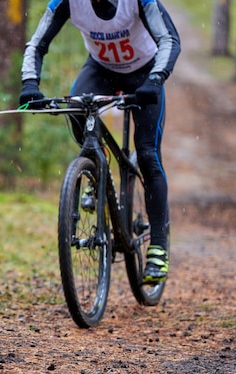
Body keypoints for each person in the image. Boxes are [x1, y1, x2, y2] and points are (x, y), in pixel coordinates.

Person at [19, 0, 181, 284]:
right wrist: (30, 83)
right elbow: (37, 43)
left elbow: (169, 39)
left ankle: (158, 245)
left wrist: (156, 79)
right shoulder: (66, 3)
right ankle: (97, 169)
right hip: (101, 70)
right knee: (76, 109)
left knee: (147, 154)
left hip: (145, 73)